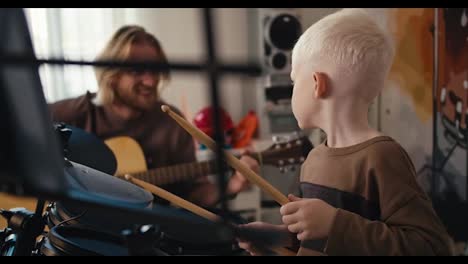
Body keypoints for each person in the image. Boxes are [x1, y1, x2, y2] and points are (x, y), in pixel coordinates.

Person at [237, 8, 454, 256]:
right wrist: (279, 239)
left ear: (318, 84)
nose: (291, 90)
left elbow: (432, 246)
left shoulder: (382, 156)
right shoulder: (313, 160)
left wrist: (334, 224)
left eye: (295, 81)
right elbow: (325, 242)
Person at [49, 25, 257, 208]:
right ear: (112, 74)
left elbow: (193, 194)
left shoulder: (171, 121)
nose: (150, 82)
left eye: (156, 70)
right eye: (137, 70)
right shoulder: (76, 112)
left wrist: (231, 186)